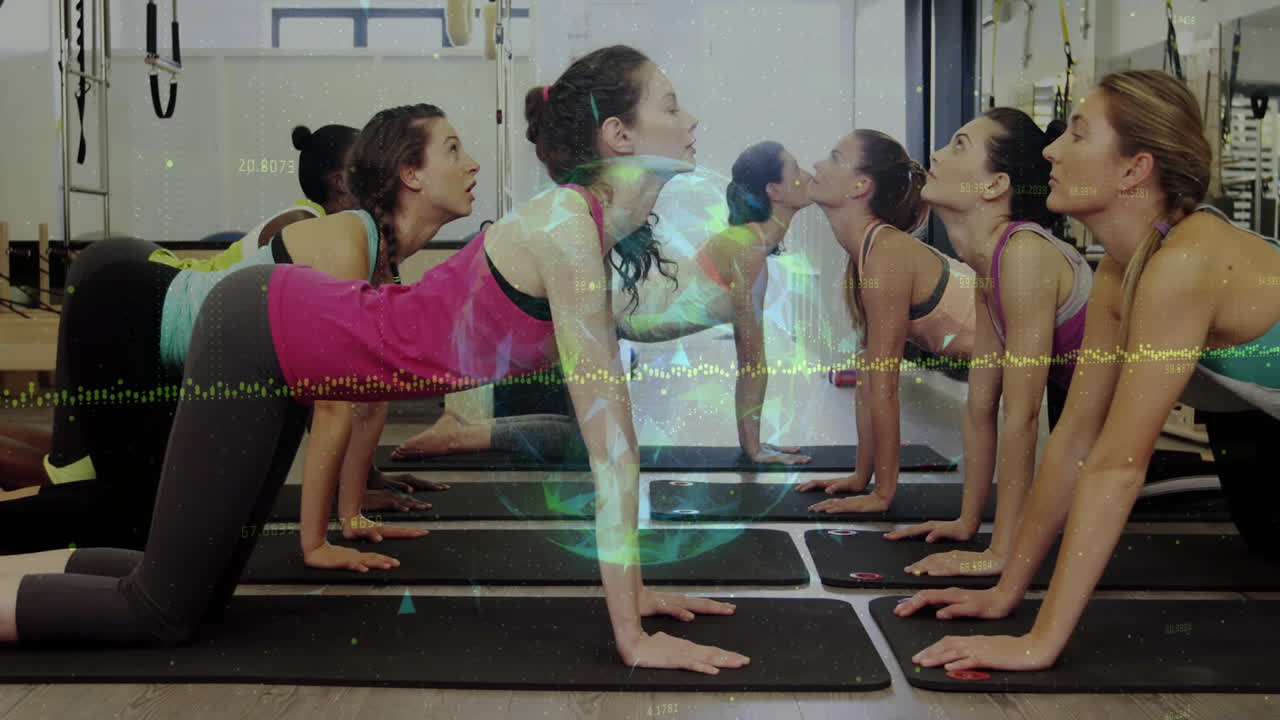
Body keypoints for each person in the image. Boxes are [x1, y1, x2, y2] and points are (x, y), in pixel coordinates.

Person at [0, 45, 750, 676]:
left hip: (277, 335)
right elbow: (611, 443)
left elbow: (643, 350)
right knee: (159, 610)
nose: (691, 121)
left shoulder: (585, 233)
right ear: (618, 134)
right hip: (260, 332)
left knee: (194, 593)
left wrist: (635, 592)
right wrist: (631, 636)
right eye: (672, 105)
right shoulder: (565, 230)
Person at [894, 69, 1280, 672]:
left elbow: (1117, 467)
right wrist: (1004, 593)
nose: (1051, 149)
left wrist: (1039, 642)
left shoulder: (1183, 264)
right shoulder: (1120, 269)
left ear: (1134, 169)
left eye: (1077, 134)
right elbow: (1075, 438)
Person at [0, 108, 462, 554]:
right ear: (409, 175)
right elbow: (334, 404)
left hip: (155, 327)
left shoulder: (379, 257)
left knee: (151, 509)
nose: (473, 165)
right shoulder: (343, 242)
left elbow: (366, 399)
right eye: (454, 150)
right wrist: (318, 542)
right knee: (129, 515)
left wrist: (355, 505)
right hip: (128, 315)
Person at [392, 141, 816, 466]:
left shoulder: (749, 247)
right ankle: (456, 422)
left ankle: (459, 429)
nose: (808, 174)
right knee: (594, 440)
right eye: (797, 169)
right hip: (596, 304)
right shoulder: (746, 248)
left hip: (606, 312)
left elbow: (750, 357)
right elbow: (752, 357)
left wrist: (753, 444)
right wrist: (753, 447)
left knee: (583, 440)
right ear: (774, 190)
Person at [42, 122, 360, 487]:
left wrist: (363, 482)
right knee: (76, 474)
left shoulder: (332, 231)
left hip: (141, 291)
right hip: (129, 287)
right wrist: (352, 491)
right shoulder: (304, 229)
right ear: (340, 181)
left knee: (88, 468)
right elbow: (323, 387)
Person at [880, 108, 1092, 577]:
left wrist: (1001, 551)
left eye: (959, 145)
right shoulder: (989, 265)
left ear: (995, 185)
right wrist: (967, 522)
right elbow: (981, 406)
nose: (936, 154)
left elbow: (1023, 415)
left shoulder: (1024, 253)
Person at [796, 130, 977, 512]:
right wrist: (860, 477)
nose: (817, 164)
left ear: (860, 185)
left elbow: (886, 387)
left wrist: (883, 495)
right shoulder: (868, 252)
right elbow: (868, 379)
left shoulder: (886, 256)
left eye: (834, 157)